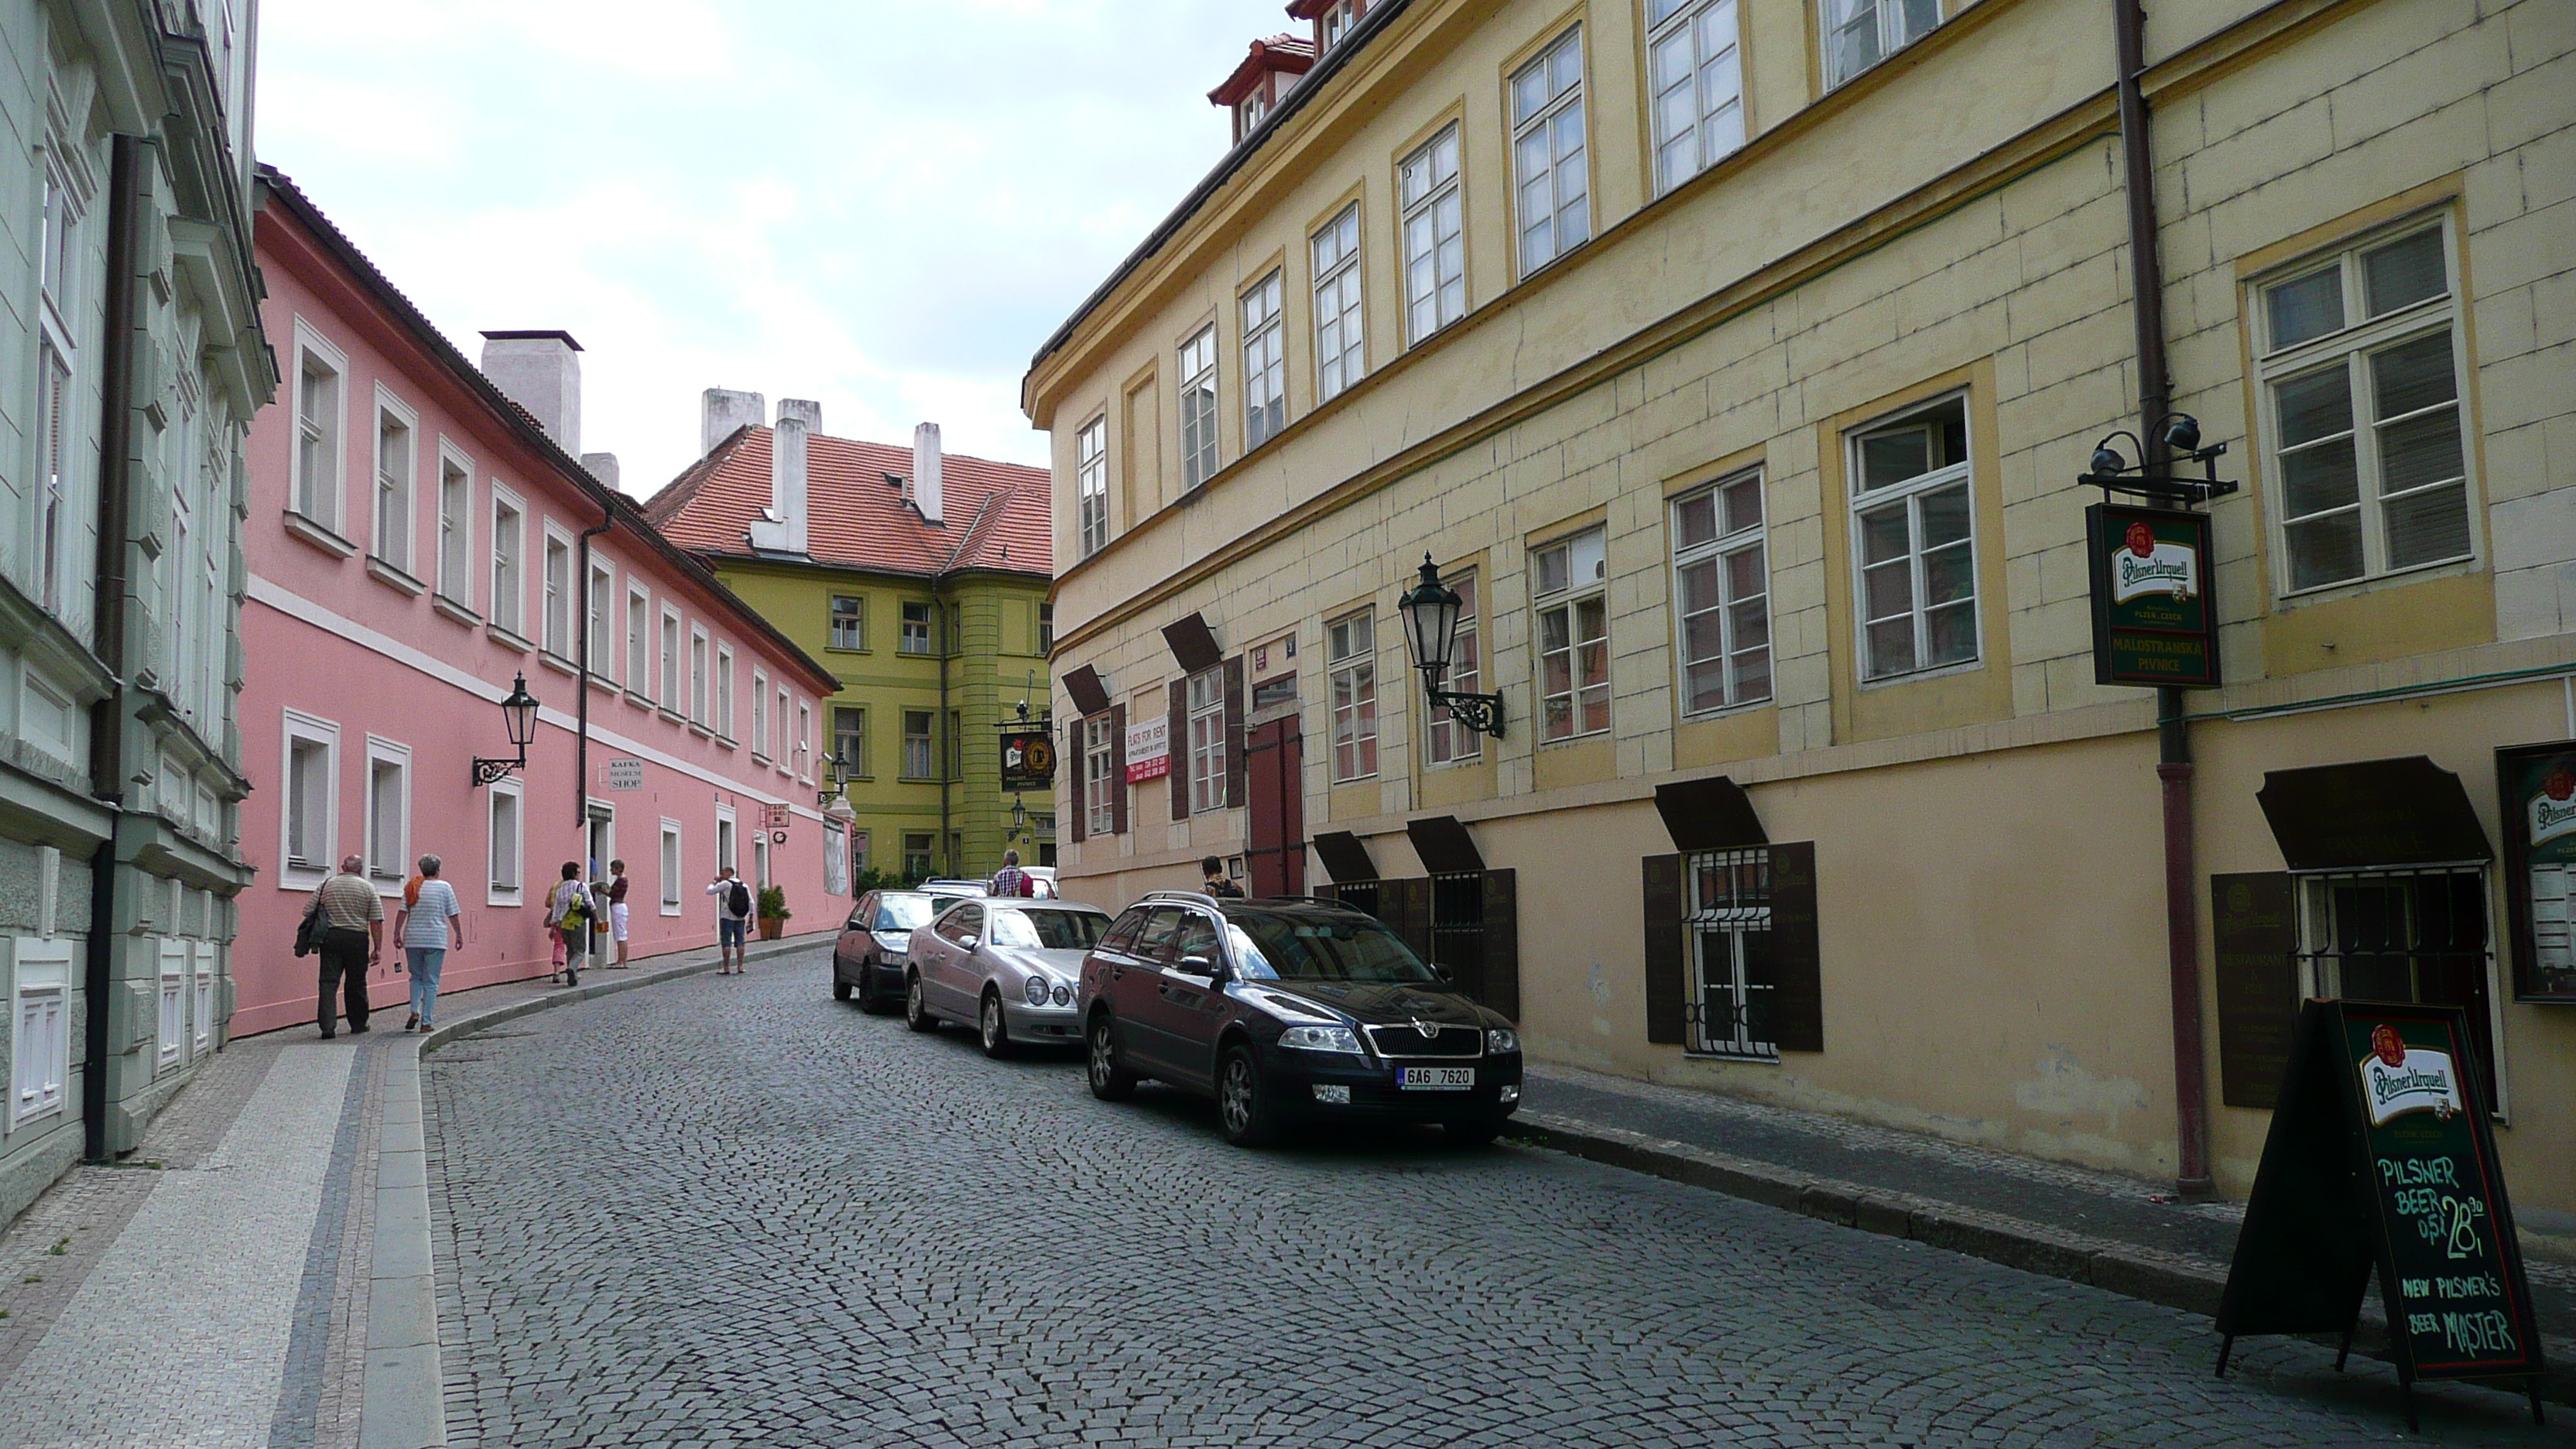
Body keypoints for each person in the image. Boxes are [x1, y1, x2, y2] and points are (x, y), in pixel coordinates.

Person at [306, 855, 382, 1037]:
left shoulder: (327, 885)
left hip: (330, 937)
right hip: (357, 938)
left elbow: (308, 910)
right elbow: (376, 920)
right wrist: (377, 948)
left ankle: (327, 1027)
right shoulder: (368, 888)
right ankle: (358, 1024)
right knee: (356, 982)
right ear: (360, 869)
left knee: (328, 982)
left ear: (343, 867)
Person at [392, 854, 462, 1033]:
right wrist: (458, 934)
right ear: (438, 870)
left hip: (413, 939)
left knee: (415, 977)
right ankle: (426, 1022)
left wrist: (396, 933)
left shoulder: (412, 887)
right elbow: (452, 913)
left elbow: (402, 912)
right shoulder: (444, 888)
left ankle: (414, 1010)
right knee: (431, 981)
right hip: (435, 939)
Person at [544, 862, 591, 988]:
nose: (579, 875)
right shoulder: (581, 886)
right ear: (573, 873)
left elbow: (555, 907)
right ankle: (572, 969)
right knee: (580, 950)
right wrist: (596, 918)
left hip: (563, 923)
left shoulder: (559, 888)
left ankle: (571, 977)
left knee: (568, 949)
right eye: (579, 872)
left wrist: (554, 923)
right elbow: (591, 904)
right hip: (577, 922)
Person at [706, 865, 752, 975]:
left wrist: (714, 881)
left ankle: (726, 968)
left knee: (726, 942)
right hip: (740, 917)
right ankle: (740, 967)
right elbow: (751, 902)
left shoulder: (725, 884)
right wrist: (751, 917)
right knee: (740, 942)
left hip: (727, 916)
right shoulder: (744, 885)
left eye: (723, 872)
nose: (722, 875)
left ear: (729, 873)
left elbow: (709, 892)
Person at [605, 859, 632, 968]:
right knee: (621, 934)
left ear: (618, 869)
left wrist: (601, 890)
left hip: (618, 907)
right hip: (620, 907)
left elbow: (612, 894)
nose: (611, 870)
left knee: (620, 935)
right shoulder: (623, 880)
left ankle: (621, 961)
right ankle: (622, 961)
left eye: (613, 868)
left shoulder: (621, 880)